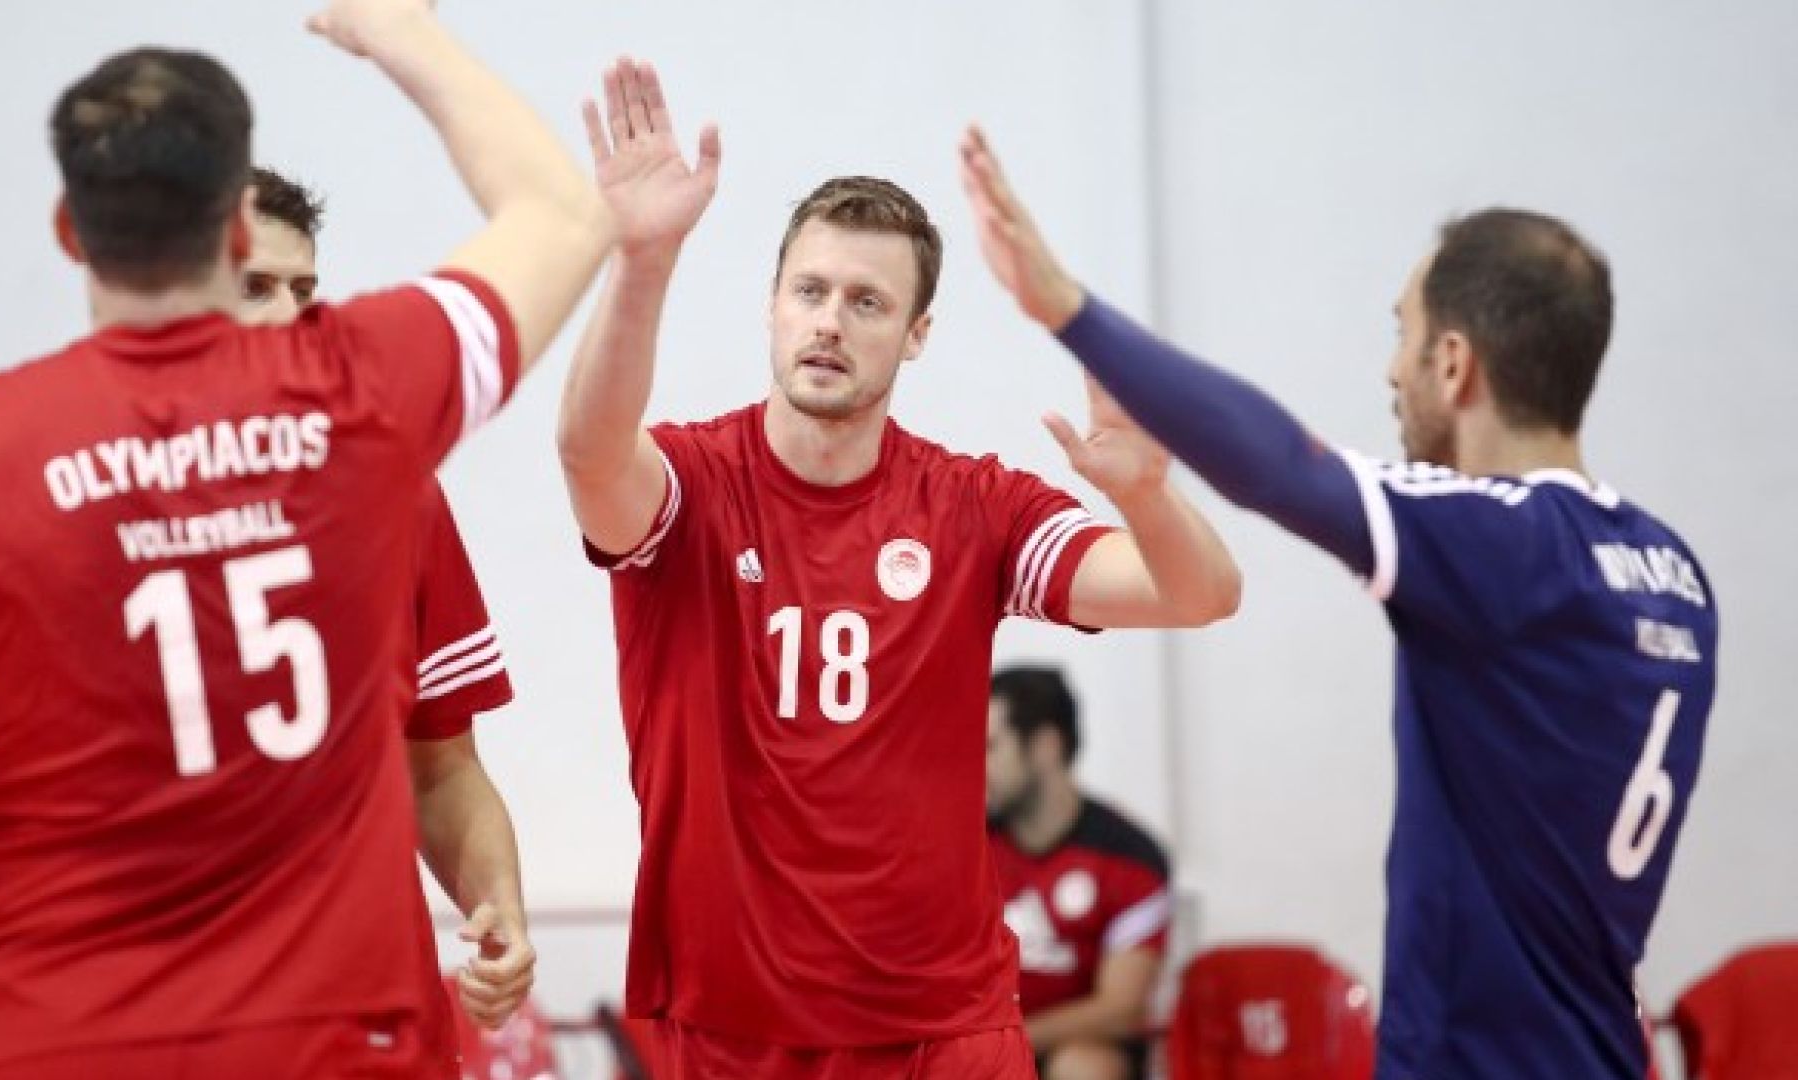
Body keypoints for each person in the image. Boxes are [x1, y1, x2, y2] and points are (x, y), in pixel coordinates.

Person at [0, 0, 610, 1074]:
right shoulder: (358, 404)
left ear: (70, 232)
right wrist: (397, 30)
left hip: (59, 1041)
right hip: (325, 1042)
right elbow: (561, 214)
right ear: (234, 234)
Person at [961, 127, 1716, 1079]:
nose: (1392, 372)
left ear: (1454, 363)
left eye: (1402, 334)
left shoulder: (1498, 539)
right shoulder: (1673, 568)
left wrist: (1065, 308)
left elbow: (1284, 466)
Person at [557, 61, 1241, 1079]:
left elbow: (1198, 593)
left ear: (916, 335)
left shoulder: (972, 505)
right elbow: (589, 454)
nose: (830, 320)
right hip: (734, 1024)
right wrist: (642, 261)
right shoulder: (690, 485)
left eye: (867, 301)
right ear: (772, 306)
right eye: (810, 291)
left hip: (944, 1030)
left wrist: (1145, 494)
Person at [0, 167, 537, 1040]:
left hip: (359, 1015)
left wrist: (498, 903)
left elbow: (443, 770)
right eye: (255, 287)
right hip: (140, 1021)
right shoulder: (32, 487)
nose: (287, 316)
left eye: (305, 291)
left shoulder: (393, 488)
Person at [986, 666, 1169, 1080]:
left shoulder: (1131, 859)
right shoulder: (968, 848)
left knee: (1083, 1067)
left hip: (1074, 1050)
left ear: (1045, 746)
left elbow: (1121, 1009)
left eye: (991, 747)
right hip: (986, 1045)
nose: (979, 766)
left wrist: (1004, 1042)